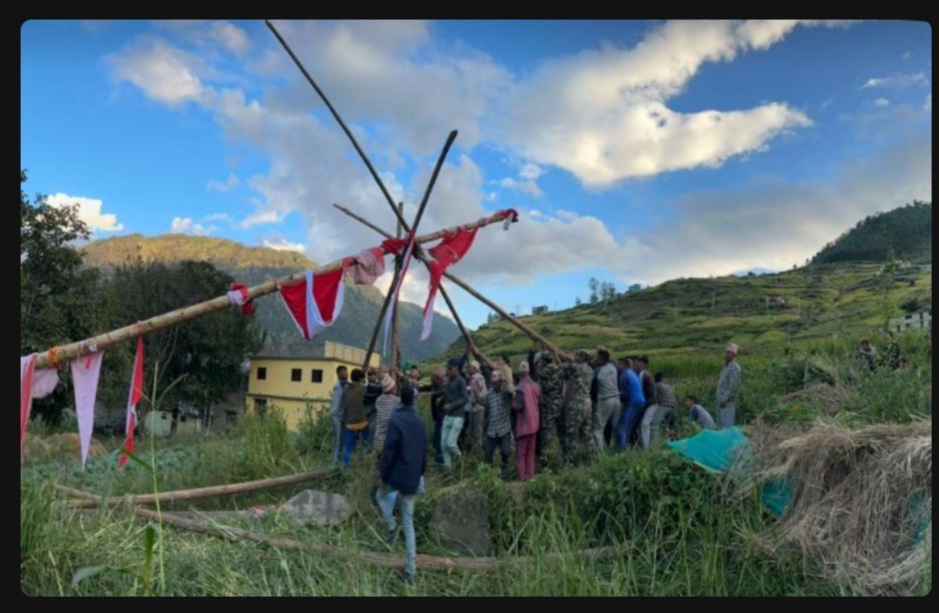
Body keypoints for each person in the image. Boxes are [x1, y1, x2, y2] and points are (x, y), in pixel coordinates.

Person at [375, 385, 427, 585]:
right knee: (409, 523)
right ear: (413, 400)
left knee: (380, 495)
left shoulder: (395, 421)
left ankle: (391, 526)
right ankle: (410, 571)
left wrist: (383, 475)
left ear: (400, 400)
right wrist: (419, 474)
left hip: (396, 477)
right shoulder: (420, 422)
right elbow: (424, 453)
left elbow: (388, 453)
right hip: (413, 479)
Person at [560, 350, 595, 465]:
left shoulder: (576, 367)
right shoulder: (590, 369)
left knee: (571, 433)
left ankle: (570, 461)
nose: (574, 357)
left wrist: (558, 356)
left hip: (576, 403)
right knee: (587, 433)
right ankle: (591, 459)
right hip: (587, 402)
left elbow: (561, 371)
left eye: (576, 355)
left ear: (581, 357)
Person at [533, 349, 563, 470]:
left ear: (543, 361)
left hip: (548, 405)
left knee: (546, 432)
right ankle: (563, 458)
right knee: (561, 431)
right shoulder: (558, 369)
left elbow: (536, 372)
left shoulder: (543, 371)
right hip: (558, 403)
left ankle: (544, 460)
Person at [481, 369, 514, 477]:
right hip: (492, 430)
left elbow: (511, 390)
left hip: (503, 428)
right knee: (487, 455)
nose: (493, 382)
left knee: (505, 451)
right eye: (492, 379)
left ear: (500, 381)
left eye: (496, 379)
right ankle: (488, 475)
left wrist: (505, 378)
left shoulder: (505, 391)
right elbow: (485, 405)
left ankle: (504, 469)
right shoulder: (490, 393)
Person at [513, 361, 541, 481]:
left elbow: (517, 406)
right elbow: (541, 402)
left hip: (524, 425)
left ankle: (522, 477)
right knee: (531, 452)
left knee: (521, 453)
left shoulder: (520, 388)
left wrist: (511, 399)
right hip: (535, 423)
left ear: (520, 373)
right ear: (528, 371)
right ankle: (531, 476)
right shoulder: (536, 386)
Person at [440, 358, 469, 470]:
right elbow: (447, 393)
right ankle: (449, 470)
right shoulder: (448, 381)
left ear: (456, 369)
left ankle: (462, 459)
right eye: (447, 369)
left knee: (451, 443)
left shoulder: (461, 381)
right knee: (443, 445)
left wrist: (451, 405)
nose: (448, 371)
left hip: (458, 416)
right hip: (448, 416)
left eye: (450, 369)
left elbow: (465, 398)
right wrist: (441, 399)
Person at [592, 347, 621, 452]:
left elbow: (589, 372)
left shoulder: (598, 371)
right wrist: (606, 352)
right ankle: (620, 449)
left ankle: (601, 453)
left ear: (600, 359)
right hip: (617, 399)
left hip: (606, 400)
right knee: (616, 427)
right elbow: (613, 361)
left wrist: (593, 361)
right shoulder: (613, 366)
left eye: (597, 357)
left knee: (598, 429)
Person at [341, 369, 370, 467]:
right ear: (361, 379)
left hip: (349, 423)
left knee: (348, 447)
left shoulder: (346, 388)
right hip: (362, 423)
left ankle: (345, 468)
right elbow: (368, 386)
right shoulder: (362, 389)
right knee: (364, 445)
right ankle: (362, 464)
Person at [641, 372, 677, 449]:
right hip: (673, 406)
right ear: (663, 379)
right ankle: (671, 444)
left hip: (664, 405)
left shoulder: (656, 385)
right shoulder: (668, 386)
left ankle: (652, 446)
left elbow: (654, 397)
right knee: (667, 426)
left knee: (654, 424)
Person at [617, 357, 645, 450]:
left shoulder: (624, 374)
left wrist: (619, 397)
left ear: (623, 364)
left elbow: (625, 393)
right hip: (641, 401)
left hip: (633, 402)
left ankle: (622, 450)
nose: (617, 366)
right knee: (631, 426)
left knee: (623, 426)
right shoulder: (632, 373)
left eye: (619, 364)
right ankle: (634, 446)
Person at [717, 343, 742, 428]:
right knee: (721, 425)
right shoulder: (727, 367)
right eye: (726, 352)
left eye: (728, 352)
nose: (726, 355)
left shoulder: (734, 368)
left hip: (727, 402)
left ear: (734, 354)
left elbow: (733, 387)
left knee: (727, 425)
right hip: (721, 402)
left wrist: (725, 400)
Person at [372, 375, 400, 452]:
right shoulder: (397, 401)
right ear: (393, 389)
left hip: (378, 440)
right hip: (390, 440)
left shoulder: (379, 400)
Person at [466, 360, 488, 452]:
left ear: (474, 368)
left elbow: (484, 391)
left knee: (477, 431)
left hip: (478, 408)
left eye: (470, 367)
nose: (469, 368)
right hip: (472, 408)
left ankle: (477, 452)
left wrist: (478, 398)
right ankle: (474, 451)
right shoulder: (472, 378)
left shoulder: (479, 377)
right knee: (472, 431)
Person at [330, 365, 349, 465]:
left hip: (336, 415)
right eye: (342, 372)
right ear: (338, 374)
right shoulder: (342, 384)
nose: (344, 373)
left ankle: (335, 460)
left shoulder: (339, 384)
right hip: (337, 415)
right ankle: (335, 464)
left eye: (345, 371)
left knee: (337, 439)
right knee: (338, 440)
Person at [429, 368, 447, 464]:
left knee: (439, 436)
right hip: (439, 415)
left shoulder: (441, 387)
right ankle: (438, 455)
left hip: (440, 416)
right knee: (439, 436)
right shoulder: (437, 387)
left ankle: (439, 455)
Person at [364, 369, 383, 448]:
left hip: (374, 414)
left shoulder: (379, 386)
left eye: (372, 374)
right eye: (369, 374)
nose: (370, 376)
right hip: (366, 414)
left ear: (375, 376)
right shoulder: (366, 387)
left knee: (372, 435)